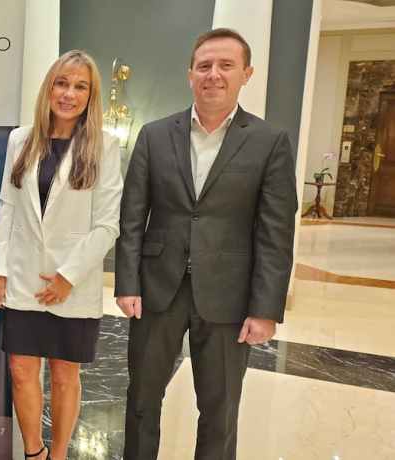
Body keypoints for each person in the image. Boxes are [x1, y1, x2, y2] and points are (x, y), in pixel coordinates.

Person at [115, 28, 297, 460]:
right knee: (141, 400)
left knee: (219, 410)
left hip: (229, 295)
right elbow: (132, 216)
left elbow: (275, 233)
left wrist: (265, 308)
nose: (213, 74)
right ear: (190, 75)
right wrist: (127, 283)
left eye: (226, 65)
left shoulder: (269, 142)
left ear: (246, 74)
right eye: (204, 66)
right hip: (157, 290)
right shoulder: (154, 135)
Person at [0, 50, 122, 460]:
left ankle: (59, 455)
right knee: (21, 372)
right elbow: (8, 207)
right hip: (24, 276)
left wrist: (68, 276)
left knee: (65, 375)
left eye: (80, 86)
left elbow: (107, 224)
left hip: (71, 285)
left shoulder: (105, 145)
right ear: (49, 88)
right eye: (62, 83)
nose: (69, 94)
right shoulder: (21, 139)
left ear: (90, 96)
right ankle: (35, 453)